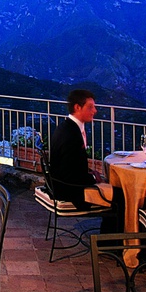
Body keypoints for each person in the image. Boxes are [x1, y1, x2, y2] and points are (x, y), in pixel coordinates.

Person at [48, 89, 122, 232]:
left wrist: (91, 174)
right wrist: (94, 178)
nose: (95, 111)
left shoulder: (67, 127)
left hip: (61, 184)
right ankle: (110, 242)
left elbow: (71, 164)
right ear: (77, 107)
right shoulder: (71, 135)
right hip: (70, 190)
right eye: (90, 107)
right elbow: (70, 175)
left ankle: (107, 238)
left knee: (114, 190)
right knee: (122, 197)